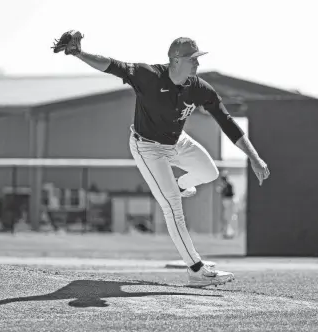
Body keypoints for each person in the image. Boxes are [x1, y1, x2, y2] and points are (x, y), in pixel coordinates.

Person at [52, 31, 270, 287]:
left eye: (198, 58)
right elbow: (111, 65)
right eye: (193, 59)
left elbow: (227, 122)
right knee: (173, 208)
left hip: (177, 141)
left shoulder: (199, 87)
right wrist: (79, 53)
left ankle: (177, 185)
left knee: (209, 173)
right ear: (176, 60)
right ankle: (196, 270)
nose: (198, 63)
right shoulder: (149, 76)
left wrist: (254, 157)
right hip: (147, 147)